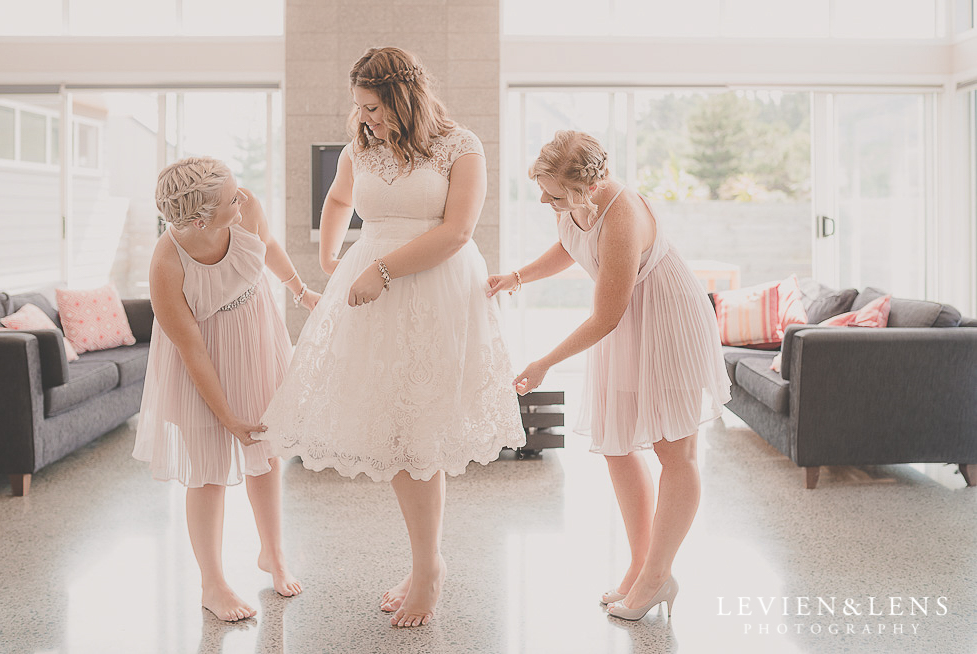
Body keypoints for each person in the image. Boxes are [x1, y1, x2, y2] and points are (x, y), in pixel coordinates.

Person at [256, 47, 525, 628]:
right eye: (359, 107)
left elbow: (457, 232)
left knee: (420, 431)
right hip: (371, 294)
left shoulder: (462, 146)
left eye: (373, 107)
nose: (366, 118)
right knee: (396, 430)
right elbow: (337, 199)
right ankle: (425, 561)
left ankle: (428, 569)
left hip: (434, 287)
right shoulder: (361, 147)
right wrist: (332, 258)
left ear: (404, 98)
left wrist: (380, 272)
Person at [487, 131, 731, 621]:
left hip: (665, 319)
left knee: (673, 451)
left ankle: (657, 576)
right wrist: (516, 277)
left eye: (553, 194)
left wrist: (544, 362)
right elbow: (570, 242)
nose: (543, 200)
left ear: (589, 187)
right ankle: (642, 566)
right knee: (618, 447)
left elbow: (605, 316)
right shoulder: (575, 205)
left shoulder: (621, 215)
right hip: (627, 318)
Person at [133, 156, 320, 621]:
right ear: (199, 219)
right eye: (231, 198)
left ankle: (272, 555)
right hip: (203, 357)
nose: (243, 199)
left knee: (266, 453)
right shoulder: (165, 265)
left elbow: (267, 246)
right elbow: (192, 351)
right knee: (208, 472)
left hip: (257, 337)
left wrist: (300, 291)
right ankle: (212, 584)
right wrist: (227, 417)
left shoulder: (246, 209)